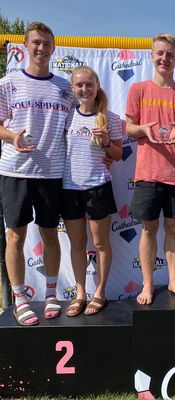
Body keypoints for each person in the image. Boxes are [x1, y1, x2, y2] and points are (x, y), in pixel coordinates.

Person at [0, 22, 74, 326]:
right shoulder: (8, 83)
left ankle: (52, 293)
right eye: (35, 43)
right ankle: (19, 298)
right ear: (25, 46)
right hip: (15, 172)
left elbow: (76, 126)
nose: (41, 48)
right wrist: (11, 136)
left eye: (46, 43)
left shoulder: (66, 87)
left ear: (54, 48)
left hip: (52, 173)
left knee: (49, 234)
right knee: (15, 236)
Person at [125, 33, 175, 305]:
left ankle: (174, 282)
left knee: (174, 229)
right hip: (147, 173)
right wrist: (142, 129)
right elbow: (129, 128)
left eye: (170, 54)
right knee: (147, 230)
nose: (164, 58)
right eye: (160, 53)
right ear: (151, 55)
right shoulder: (138, 90)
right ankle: (147, 285)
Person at [62, 66, 122, 317]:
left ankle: (100, 292)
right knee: (77, 244)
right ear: (73, 89)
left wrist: (107, 141)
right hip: (68, 189)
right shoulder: (65, 116)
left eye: (89, 84)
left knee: (100, 243)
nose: (84, 89)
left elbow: (118, 154)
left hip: (97, 187)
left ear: (97, 86)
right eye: (79, 85)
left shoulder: (110, 117)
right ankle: (80, 293)